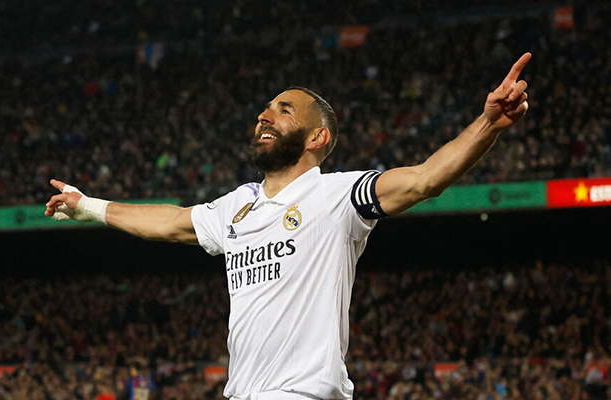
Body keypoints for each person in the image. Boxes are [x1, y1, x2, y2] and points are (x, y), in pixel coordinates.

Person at [45, 53, 531, 400]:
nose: (264, 116)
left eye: (284, 110)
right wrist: (88, 206)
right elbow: (171, 222)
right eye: (266, 109)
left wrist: (488, 124)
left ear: (317, 136)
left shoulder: (340, 196)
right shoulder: (238, 205)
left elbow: (425, 179)